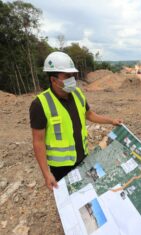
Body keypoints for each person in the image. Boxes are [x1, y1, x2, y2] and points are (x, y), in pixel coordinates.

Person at [30, 51, 122, 190]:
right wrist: (46, 174)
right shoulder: (40, 104)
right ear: (53, 79)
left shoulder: (77, 93)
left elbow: (89, 114)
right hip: (61, 167)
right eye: (67, 76)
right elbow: (38, 142)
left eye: (73, 75)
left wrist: (111, 121)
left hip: (83, 158)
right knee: (68, 203)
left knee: (88, 191)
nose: (72, 79)